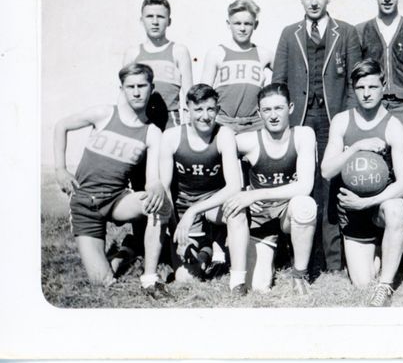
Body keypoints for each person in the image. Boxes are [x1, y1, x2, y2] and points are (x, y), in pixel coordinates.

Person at [53, 63, 172, 298]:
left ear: (151, 87)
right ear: (122, 89)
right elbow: (61, 125)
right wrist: (60, 169)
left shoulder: (152, 133)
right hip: (84, 203)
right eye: (131, 87)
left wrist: (156, 185)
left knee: (159, 204)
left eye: (142, 86)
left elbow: (151, 181)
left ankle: (149, 278)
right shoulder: (105, 114)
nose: (137, 92)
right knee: (103, 281)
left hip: (116, 200)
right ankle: (128, 249)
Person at [272, 0, 363, 274]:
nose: (313, 2)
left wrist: (346, 119)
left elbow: (354, 81)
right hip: (300, 120)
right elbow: (279, 81)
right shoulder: (290, 33)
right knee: (302, 185)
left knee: (331, 185)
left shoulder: (346, 33)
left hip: (331, 119)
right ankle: (302, 257)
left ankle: (332, 261)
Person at [321, 59, 403, 307]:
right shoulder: (342, 120)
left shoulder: (392, 125)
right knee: (361, 283)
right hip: (352, 210)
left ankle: (385, 285)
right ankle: (382, 251)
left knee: (396, 208)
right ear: (353, 89)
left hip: (377, 206)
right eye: (360, 88)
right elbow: (327, 171)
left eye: (372, 86)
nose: (367, 93)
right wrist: (357, 146)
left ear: (383, 86)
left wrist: (366, 202)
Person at [222, 83, 317, 295]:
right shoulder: (248, 141)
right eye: (267, 110)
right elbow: (219, 149)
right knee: (257, 287)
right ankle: (270, 255)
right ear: (259, 113)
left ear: (290, 108)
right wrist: (239, 184)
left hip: (287, 215)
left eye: (279, 108)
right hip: (261, 220)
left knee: (305, 205)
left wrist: (254, 193)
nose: (273, 115)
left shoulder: (303, 135)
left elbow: (305, 186)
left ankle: (299, 275)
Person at [158, 84, 249, 294]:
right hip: (181, 209)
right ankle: (209, 250)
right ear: (187, 109)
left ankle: (237, 281)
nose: (205, 116)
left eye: (210, 109)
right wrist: (175, 226)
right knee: (185, 279)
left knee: (237, 210)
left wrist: (194, 210)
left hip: (211, 206)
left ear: (217, 110)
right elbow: (165, 188)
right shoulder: (172, 136)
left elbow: (234, 186)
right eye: (198, 109)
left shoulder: (224, 134)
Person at [200, 0, 274, 134]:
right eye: (237, 23)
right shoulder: (216, 53)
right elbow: (203, 94)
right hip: (223, 121)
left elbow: (286, 78)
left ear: (255, 25)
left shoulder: (264, 54)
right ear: (228, 24)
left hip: (254, 123)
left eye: (247, 24)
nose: (242, 28)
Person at [123, 0, 193, 130]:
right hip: (140, 119)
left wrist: (188, 124)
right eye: (149, 16)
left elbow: (189, 94)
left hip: (170, 120)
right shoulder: (132, 53)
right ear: (141, 20)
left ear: (169, 21)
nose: (155, 22)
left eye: (160, 17)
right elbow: (124, 94)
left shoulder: (178, 51)